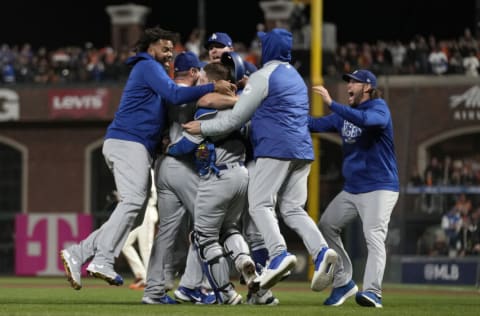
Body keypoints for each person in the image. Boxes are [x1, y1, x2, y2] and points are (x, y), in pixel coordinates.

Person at [59, 26, 234, 292]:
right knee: (133, 202)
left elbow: (164, 107)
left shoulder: (155, 72)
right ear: (150, 47)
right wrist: (214, 85)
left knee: (137, 214)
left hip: (133, 145)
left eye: (170, 50)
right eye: (164, 48)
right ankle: (103, 260)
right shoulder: (146, 65)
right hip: (128, 141)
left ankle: (79, 254)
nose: (168, 53)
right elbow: (175, 95)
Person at [183, 28, 338, 294]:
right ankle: (322, 251)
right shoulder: (297, 78)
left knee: (259, 204)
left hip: (275, 148)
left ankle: (278, 254)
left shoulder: (263, 76)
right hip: (302, 151)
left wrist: (203, 128)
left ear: (269, 49)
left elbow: (234, 119)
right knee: (292, 209)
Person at [168, 61, 260, 305]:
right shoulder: (242, 109)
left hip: (218, 176)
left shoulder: (208, 109)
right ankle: (243, 260)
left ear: (211, 81)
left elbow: (184, 146)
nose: (199, 85)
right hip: (241, 174)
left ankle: (225, 293)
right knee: (229, 229)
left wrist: (166, 148)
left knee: (204, 238)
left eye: (202, 81)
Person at [309, 69, 399, 308]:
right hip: (353, 189)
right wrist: (282, 115)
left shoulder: (379, 108)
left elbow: (368, 121)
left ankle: (373, 292)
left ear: (367, 87)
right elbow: (313, 124)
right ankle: (344, 281)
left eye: (354, 82)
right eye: (348, 81)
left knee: (374, 238)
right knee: (327, 225)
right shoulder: (345, 114)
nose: (349, 85)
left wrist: (332, 104)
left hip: (380, 187)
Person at [121, 171, 158, 290]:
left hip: (146, 210)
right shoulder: (133, 171)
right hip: (136, 211)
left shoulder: (147, 172)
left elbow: (150, 194)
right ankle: (142, 275)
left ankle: (152, 280)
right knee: (124, 244)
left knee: (146, 247)